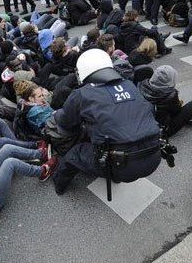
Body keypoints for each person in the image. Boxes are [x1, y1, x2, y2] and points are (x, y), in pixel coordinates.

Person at [52, 49, 162, 195]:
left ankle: (59, 185)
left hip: (120, 165)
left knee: (74, 154)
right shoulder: (129, 84)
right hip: (154, 155)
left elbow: (66, 122)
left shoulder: (82, 93)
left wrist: (59, 114)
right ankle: (114, 173)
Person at [139, 65, 192, 136]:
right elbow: (176, 111)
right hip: (159, 130)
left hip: (141, 124)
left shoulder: (142, 84)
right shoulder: (171, 96)